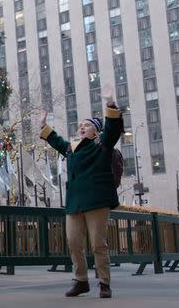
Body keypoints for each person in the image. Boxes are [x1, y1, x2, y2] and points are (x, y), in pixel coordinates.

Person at [39, 85, 123, 299]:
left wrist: (111, 103)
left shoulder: (101, 145)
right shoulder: (73, 148)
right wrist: (44, 126)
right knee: (74, 242)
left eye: (86, 125)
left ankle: (104, 283)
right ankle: (81, 281)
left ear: (96, 130)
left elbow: (113, 130)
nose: (81, 127)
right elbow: (58, 142)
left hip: (97, 201)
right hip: (74, 202)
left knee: (98, 244)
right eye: (80, 125)